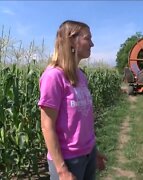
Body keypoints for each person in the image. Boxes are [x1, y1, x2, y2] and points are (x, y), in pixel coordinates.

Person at [38, 20, 107, 180]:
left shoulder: (81, 75)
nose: (92, 44)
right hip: (67, 160)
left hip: (88, 155)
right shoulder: (53, 76)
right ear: (72, 40)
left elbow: (83, 120)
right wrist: (62, 170)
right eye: (88, 38)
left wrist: (93, 152)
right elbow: (47, 126)